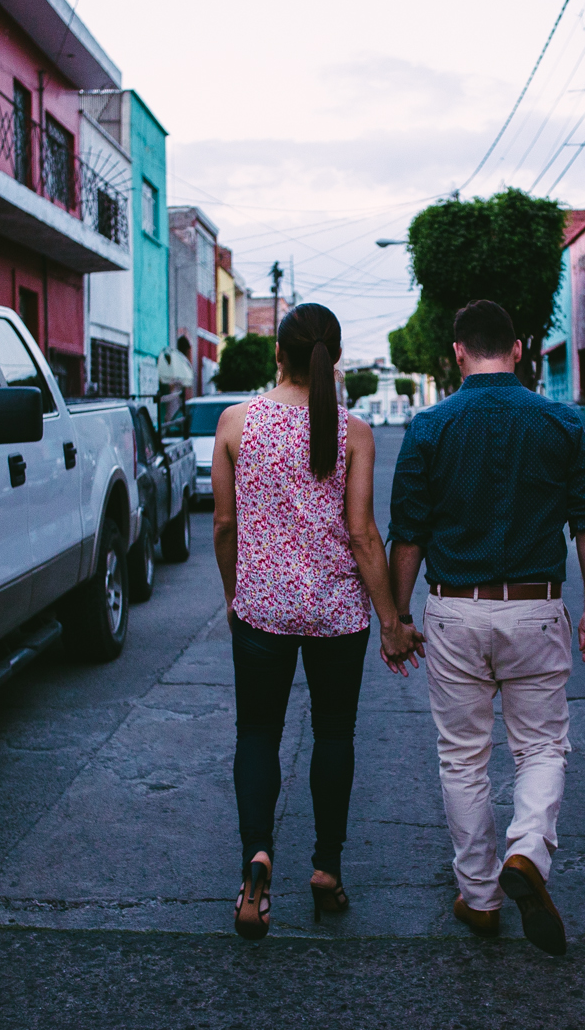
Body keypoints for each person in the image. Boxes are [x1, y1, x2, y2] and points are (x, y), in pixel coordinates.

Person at [387, 299, 585, 957]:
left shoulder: (429, 427)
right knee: (541, 748)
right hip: (535, 605)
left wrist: (397, 617)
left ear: (459, 352)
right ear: (518, 349)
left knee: (462, 757)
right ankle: (526, 850)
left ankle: (480, 896)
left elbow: (409, 533)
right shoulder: (562, 421)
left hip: (454, 608)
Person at [211, 302, 418, 941]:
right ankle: (326, 868)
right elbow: (361, 534)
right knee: (333, 736)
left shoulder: (235, 423)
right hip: (336, 613)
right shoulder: (353, 432)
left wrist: (233, 593)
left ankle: (257, 858)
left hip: (262, 609)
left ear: (279, 354)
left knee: (257, 734)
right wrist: (391, 619)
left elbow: (224, 526)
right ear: (333, 359)